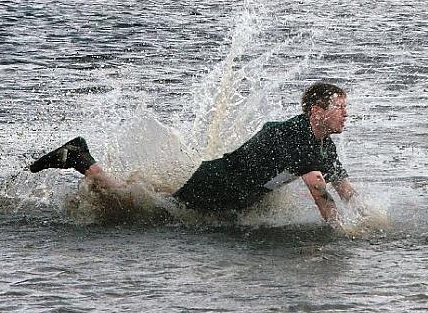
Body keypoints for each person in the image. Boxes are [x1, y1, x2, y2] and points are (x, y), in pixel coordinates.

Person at [29, 82, 358, 228]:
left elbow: (345, 191)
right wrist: (347, 236)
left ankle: (84, 159)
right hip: (215, 186)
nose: (346, 114)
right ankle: (79, 159)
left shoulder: (323, 145)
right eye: (340, 108)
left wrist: (370, 218)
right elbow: (320, 193)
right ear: (317, 111)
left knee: (158, 200)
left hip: (229, 192)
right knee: (141, 212)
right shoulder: (294, 135)